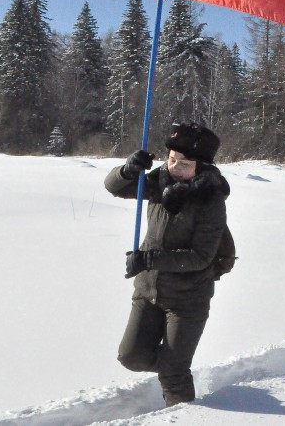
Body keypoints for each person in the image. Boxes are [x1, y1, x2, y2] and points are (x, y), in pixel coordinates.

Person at [105, 122, 229, 407]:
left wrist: (147, 259)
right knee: (131, 357)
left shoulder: (210, 200)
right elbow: (114, 187)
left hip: (188, 299)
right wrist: (128, 169)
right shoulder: (160, 182)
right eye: (172, 159)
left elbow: (200, 257)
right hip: (148, 290)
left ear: (201, 166)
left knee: (174, 372)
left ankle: (181, 408)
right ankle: (175, 366)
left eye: (185, 164)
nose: (175, 167)